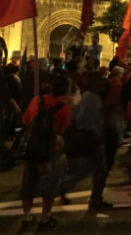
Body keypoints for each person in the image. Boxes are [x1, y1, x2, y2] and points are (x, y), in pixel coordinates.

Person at [18, 73, 74, 233]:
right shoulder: (65, 107)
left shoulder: (37, 100)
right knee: (48, 184)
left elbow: (26, 120)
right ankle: (45, 217)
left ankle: (26, 215)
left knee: (28, 184)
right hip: (50, 150)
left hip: (31, 148)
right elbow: (63, 129)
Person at [59, 72, 113, 211]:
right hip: (90, 138)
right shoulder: (92, 98)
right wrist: (98, 134)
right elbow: (88, 121)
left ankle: (64, 187)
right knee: (98, 170)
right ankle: (95, 200)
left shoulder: (83, 96)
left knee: (85, 169)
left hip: (85, 137)